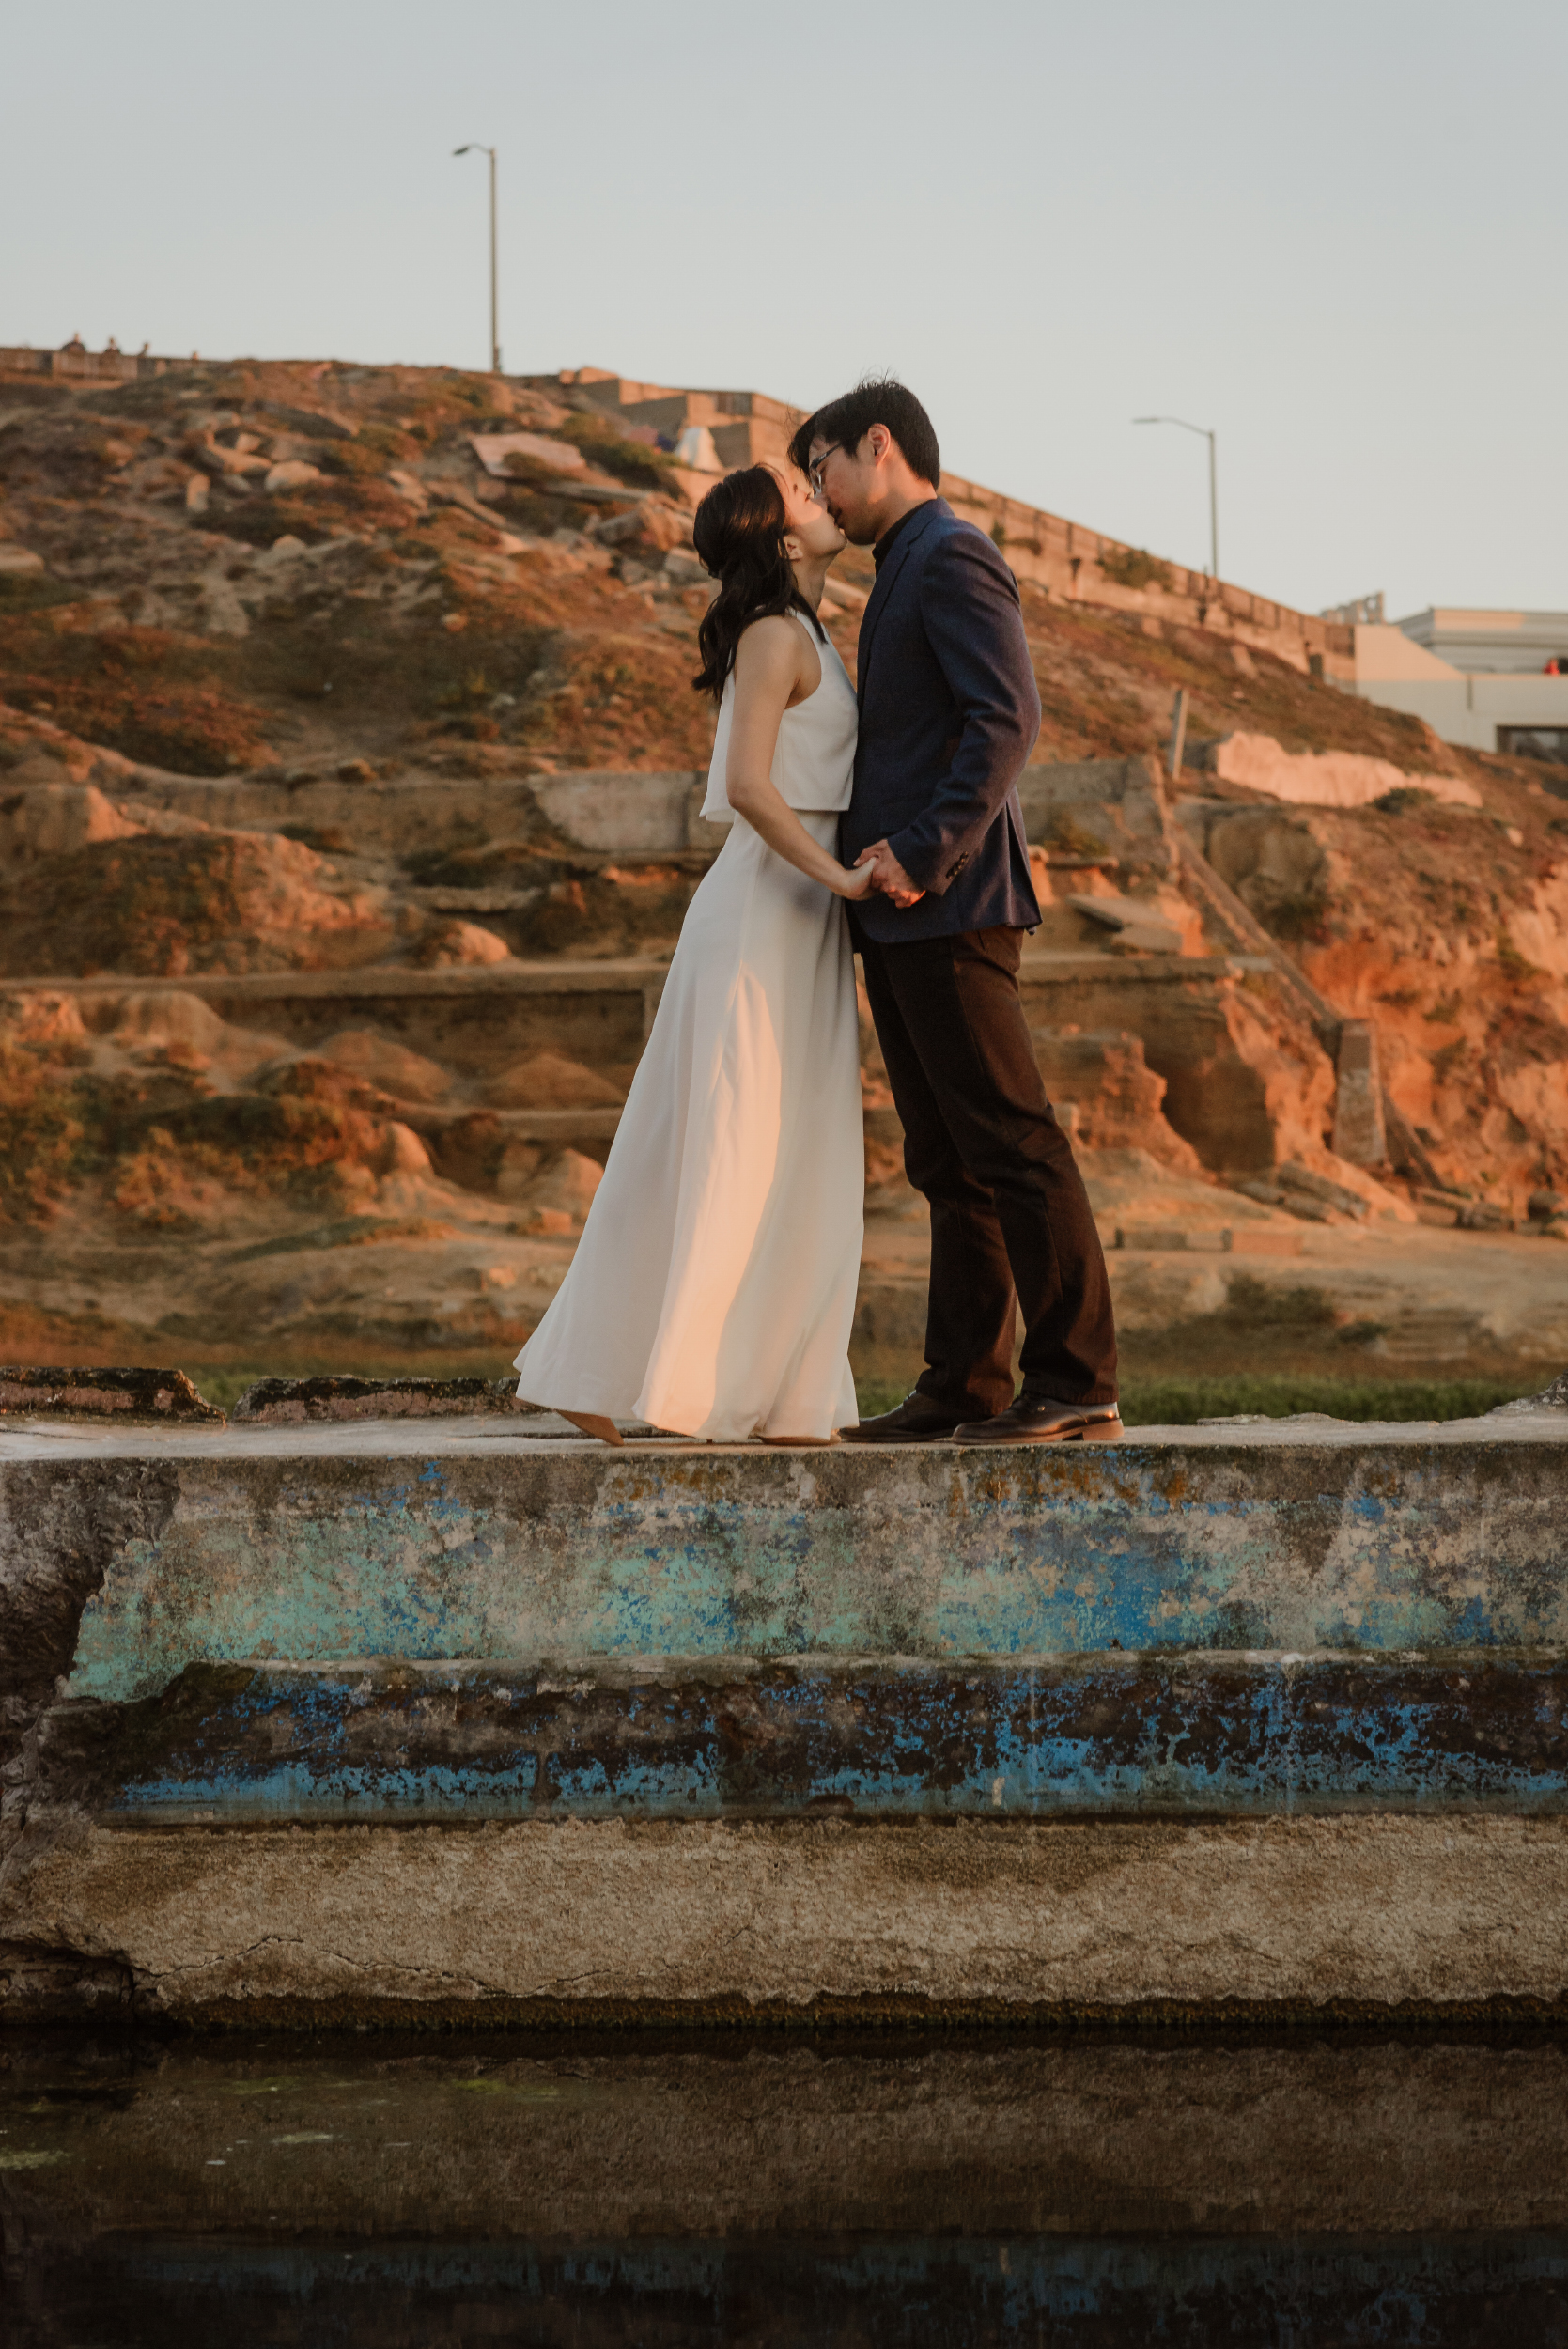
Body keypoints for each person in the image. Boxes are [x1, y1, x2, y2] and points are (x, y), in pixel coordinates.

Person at [788, 379, 1121, 1445]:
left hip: (950, 900)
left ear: (877, 445)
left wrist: (927, 853)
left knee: (1013, 1143)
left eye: (823, 469)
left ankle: (1075, 1383)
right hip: (900, 914)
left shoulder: (950, 551)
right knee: (946, 1159)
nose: (820, 495)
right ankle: (963, 1386)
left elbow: (1006, 717)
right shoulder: (901, 568)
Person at [513, 461, 870, 1445]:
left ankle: (778, 1392)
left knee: (802, 1154)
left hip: (800, 926)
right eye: (803, 494)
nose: (821, 496)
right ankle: (665, 1382)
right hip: (763, 913)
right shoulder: (770, 636)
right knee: (730, 1149)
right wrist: (839, 878)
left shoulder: (812, 631)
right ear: (783, 540)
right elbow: (753, 787)